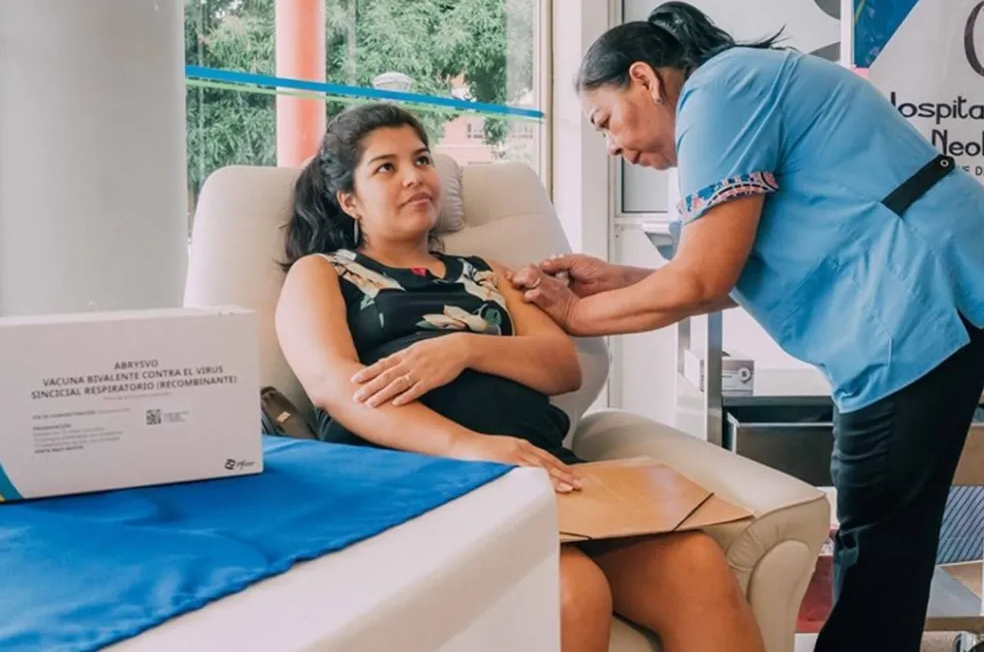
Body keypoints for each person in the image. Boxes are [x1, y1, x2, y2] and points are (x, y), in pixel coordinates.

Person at [509, 0, 984, 652]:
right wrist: (618, 279)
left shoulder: (719, 90)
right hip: (939, 286)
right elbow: (731, 270)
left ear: (644, 79)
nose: (614, 146)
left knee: (880, 536)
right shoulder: (743, 85)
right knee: (888, 536)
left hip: (918, 301)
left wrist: (573, 314)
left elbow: (701, 279)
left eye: (606, 122)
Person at [274, 102, 766, 652]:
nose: (414, 176)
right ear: (350, 200)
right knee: (572, 590)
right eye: (386, 167)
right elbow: (337, 388)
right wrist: (471, 447)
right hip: (421, 481)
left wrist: (464, 349)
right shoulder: (322, 273)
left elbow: (560, 366)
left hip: (538, 469)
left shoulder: (486, 273)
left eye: (422, 159)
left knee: (697, 563)